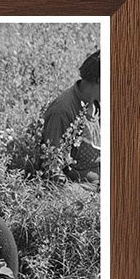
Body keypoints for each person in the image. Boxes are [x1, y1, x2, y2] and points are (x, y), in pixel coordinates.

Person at [40, 49, 101, 182]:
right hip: (83, 187)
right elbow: (52, 170)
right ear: (99, 79)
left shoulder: (98, 104)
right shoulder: (62, 111)